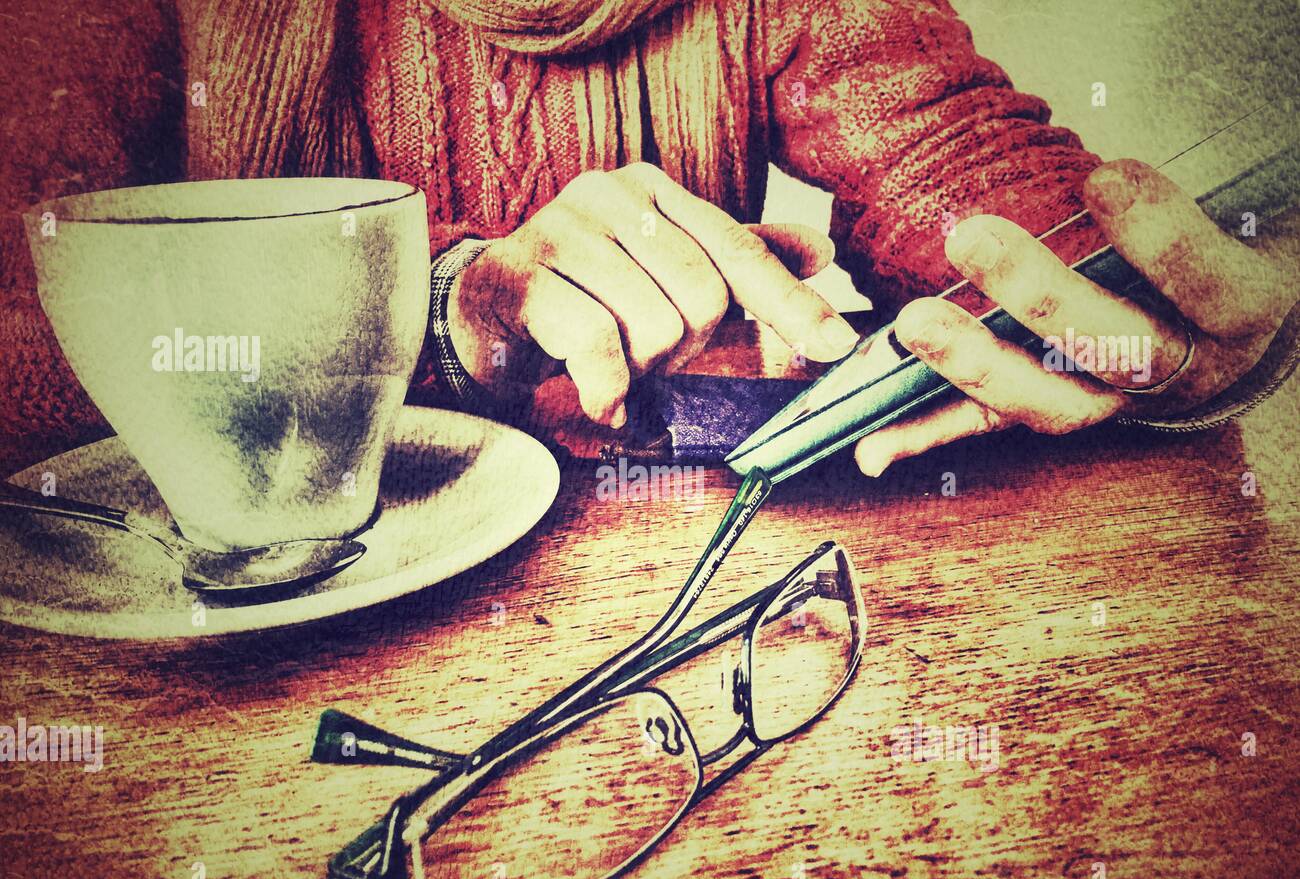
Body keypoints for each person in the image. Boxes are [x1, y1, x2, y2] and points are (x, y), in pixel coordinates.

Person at [1, 0, 1296, 476]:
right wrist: (445, 308)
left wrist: (1178, 330)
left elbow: (981, 190)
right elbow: (22, 343)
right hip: (210, 704)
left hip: (663, 672)